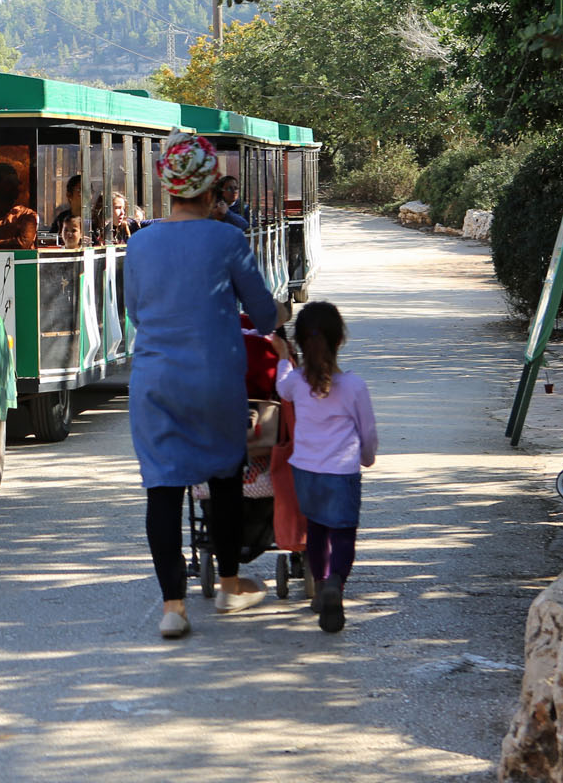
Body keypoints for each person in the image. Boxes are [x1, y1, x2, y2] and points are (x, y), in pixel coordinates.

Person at [123, 132, 280, 639]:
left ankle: (174, 607)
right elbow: (261, 313)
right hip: (215, 380)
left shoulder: (140, 242)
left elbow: (134, 312)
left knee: (162, 488)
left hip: (155, 381)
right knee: (225, 478)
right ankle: (231, 584)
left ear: (166, 186)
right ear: (213, 187)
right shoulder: (228, 239)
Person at [271, 302, 377, 634]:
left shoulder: (296, 383)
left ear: (300, 343)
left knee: (316, 530)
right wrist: (367, 457)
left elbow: (281, 385)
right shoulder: (355, 386)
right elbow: (368, 432)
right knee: (343, 533)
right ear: (339, 340)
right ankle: (335, 584)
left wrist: (282, 357)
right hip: (341, 472)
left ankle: (318, 584)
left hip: (305, 471)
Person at [0, 164, 38, 249]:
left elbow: (22, 243)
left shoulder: (27, 215)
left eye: (15, 184)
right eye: (8, 183)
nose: (15, 189)